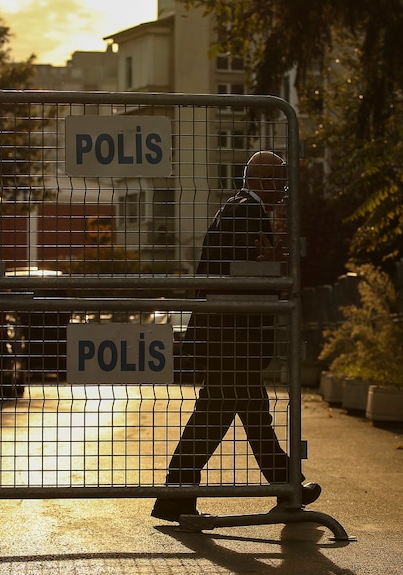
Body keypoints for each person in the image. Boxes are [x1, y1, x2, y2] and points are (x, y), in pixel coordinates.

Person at [151, 150, 321, 522]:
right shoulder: (247, 210)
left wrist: (270, 254)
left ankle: (283, 485)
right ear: (263, 180)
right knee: (226, 414)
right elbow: (249, 268)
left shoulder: (238, 206)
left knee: (236, 413)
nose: (285, 186)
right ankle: (284, 486)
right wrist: (274, 257)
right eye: (279, 177)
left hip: (226, 338)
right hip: (230, 339)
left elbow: (239, 264)